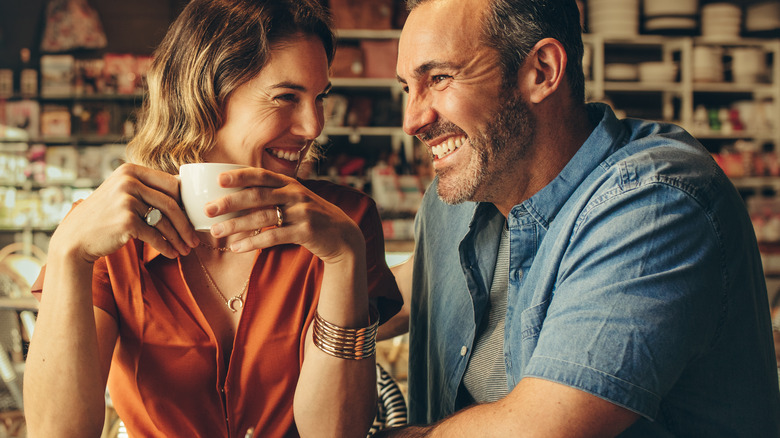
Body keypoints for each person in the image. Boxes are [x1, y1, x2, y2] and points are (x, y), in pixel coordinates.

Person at [378, 0, 780, 436]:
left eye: (439, 79)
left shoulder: (653, 203)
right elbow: (410, 290)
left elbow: (539, 430)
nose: (412, 120)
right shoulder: (468, 192)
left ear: (542, 71)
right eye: (406, 87)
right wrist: (334, 263)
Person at [23, 1, 401, 437]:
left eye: (320, 99)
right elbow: (57, 432)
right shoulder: (110, 234)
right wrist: (67, 252)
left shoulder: (344, 224)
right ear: (206, 94)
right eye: (287, 97)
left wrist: (345, 258)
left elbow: (335, 432)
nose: (313, 125)